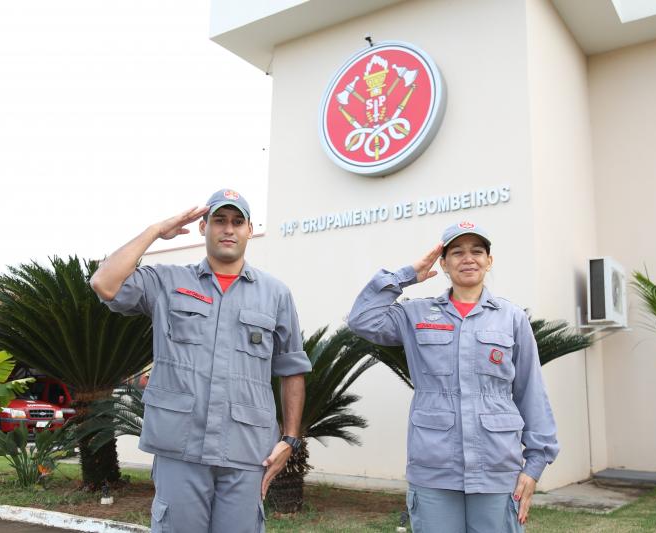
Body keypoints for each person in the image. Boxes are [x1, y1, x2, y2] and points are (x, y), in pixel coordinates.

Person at [90, 189, 312, 533]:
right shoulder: (168, 281)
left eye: (238, 222)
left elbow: (292, 368)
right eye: (219, 220)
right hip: (181, 447)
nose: (228, 229)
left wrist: (291, 439)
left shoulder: (275, 294)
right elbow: (104, 283)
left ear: (249, 230)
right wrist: (154, 231)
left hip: (247, 451)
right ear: (202, 227)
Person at [348, 221, 559, 532]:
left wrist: (536, 463)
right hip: (434, 469)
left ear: (490, 260)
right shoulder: (416, 315)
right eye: (457, 252)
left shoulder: (511, 318)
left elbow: (531, 391)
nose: (468, 258)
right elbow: (362, 319)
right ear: (443, 264)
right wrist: (406, 275)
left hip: (496, 468)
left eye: (477, 251)